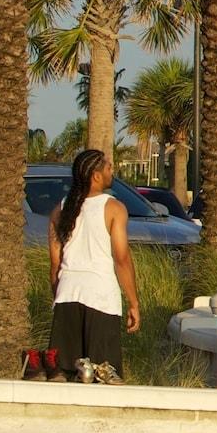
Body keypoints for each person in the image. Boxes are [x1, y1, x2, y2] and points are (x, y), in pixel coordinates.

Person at [46, 149, 140, 382]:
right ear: (96, 176)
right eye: (108, 167)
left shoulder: (60, 209)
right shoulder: (113, 207)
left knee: (61, 376)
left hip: (67, 293)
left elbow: (55, 264)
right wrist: (133, 303)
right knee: (104, 376)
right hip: (100, 296)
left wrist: (57, 297)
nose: (112, 171)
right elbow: (121, 259)